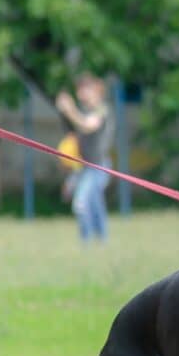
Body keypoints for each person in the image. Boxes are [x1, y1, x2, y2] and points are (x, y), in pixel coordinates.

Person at [56, 74, 114, 243]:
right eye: (79, 89)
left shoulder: (102, 109)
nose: (81, 93)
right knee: (95, 207)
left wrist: (69, 110)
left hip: (98, 167)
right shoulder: (84, 111)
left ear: (96, 90)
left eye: (85, 89)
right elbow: (73, 133)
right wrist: (64, 113)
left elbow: (87, 126)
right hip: (83, 167)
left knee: (81, 204)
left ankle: (87, 243)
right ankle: (102, 244)